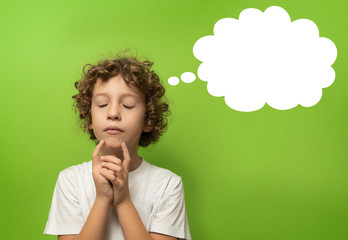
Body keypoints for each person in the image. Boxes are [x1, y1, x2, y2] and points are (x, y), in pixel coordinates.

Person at [43, 53, 192, 240]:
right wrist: (102, 199)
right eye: (102, 104)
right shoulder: (71, 181)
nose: (113, 113)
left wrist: (123, 201)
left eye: (128, 105)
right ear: (89, 118)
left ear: (148, 119)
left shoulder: (168, 184)